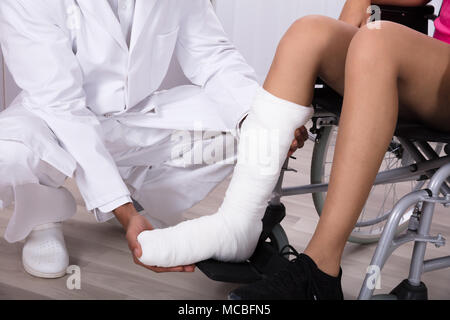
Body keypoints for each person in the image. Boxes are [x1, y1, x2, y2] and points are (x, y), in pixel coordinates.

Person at [136, 0, 450, 300]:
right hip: (432, 61)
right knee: (308, 33)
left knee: (378, 41)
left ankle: (321, 272)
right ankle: (238, 223)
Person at [0, 0, 307, 278]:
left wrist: (266, 120)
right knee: (9, 155)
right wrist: (123, 213)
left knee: (248, 131)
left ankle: (143, 201)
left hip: (137, 115)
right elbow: (62, 106)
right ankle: (44, 216)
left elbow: (212, 55)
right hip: (53, 120)